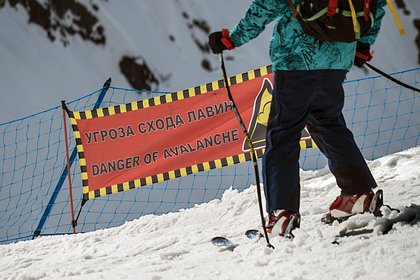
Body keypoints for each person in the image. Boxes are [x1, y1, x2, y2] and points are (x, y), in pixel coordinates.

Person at [208, 0, 387, 237]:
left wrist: (232, 38)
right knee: (328, 122)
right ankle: (358, 195)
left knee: (283, 132)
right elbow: (377, 3)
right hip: (339, 55)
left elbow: (267, 4)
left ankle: (282, 213)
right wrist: (363, 44)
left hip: (298, 58)